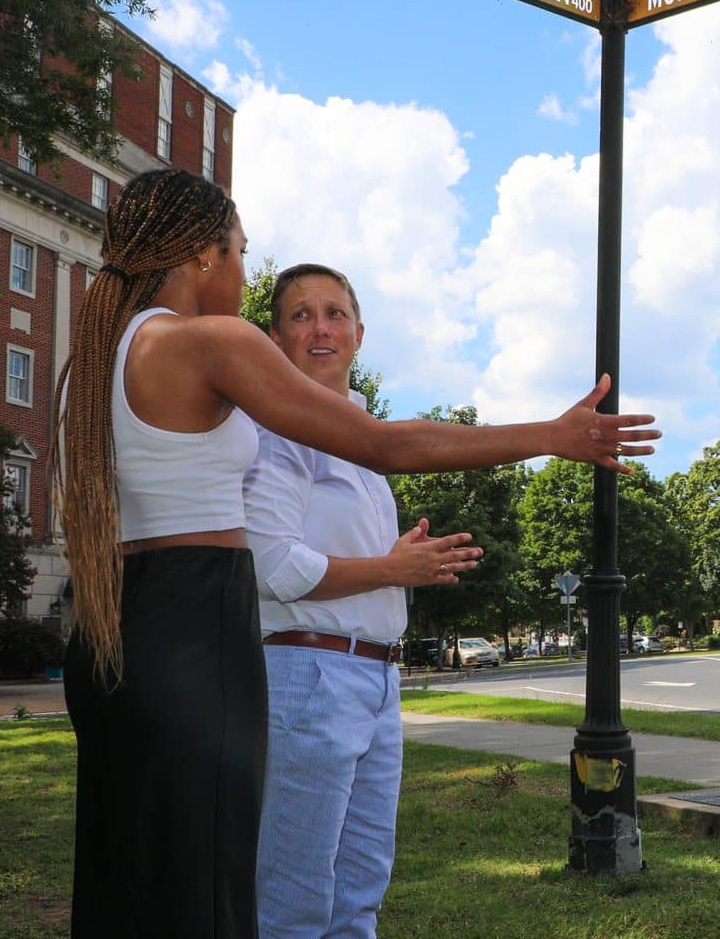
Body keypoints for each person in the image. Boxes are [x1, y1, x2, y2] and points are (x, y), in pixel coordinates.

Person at [53, 169, 657, 938]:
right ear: (205, 255)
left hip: (116, 633)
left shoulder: (96, 357)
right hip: (196, 636)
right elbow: (377, 443)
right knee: (215, 898)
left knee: (133, 891)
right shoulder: (208, 341)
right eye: (240, 253)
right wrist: (550, 436)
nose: (243, 274)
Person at [242, 263, 469, 937]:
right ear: (275, 339)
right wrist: (390, 566)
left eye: (335, 313)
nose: (321, 328)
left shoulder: (364, 442)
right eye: (302, 315)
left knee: (360, 893)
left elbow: (336, 558)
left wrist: (398, 561)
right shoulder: (276, 430)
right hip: (309, 676)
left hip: (375, 678)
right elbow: (273, 566)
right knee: (295, 899)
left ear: (360, 334)